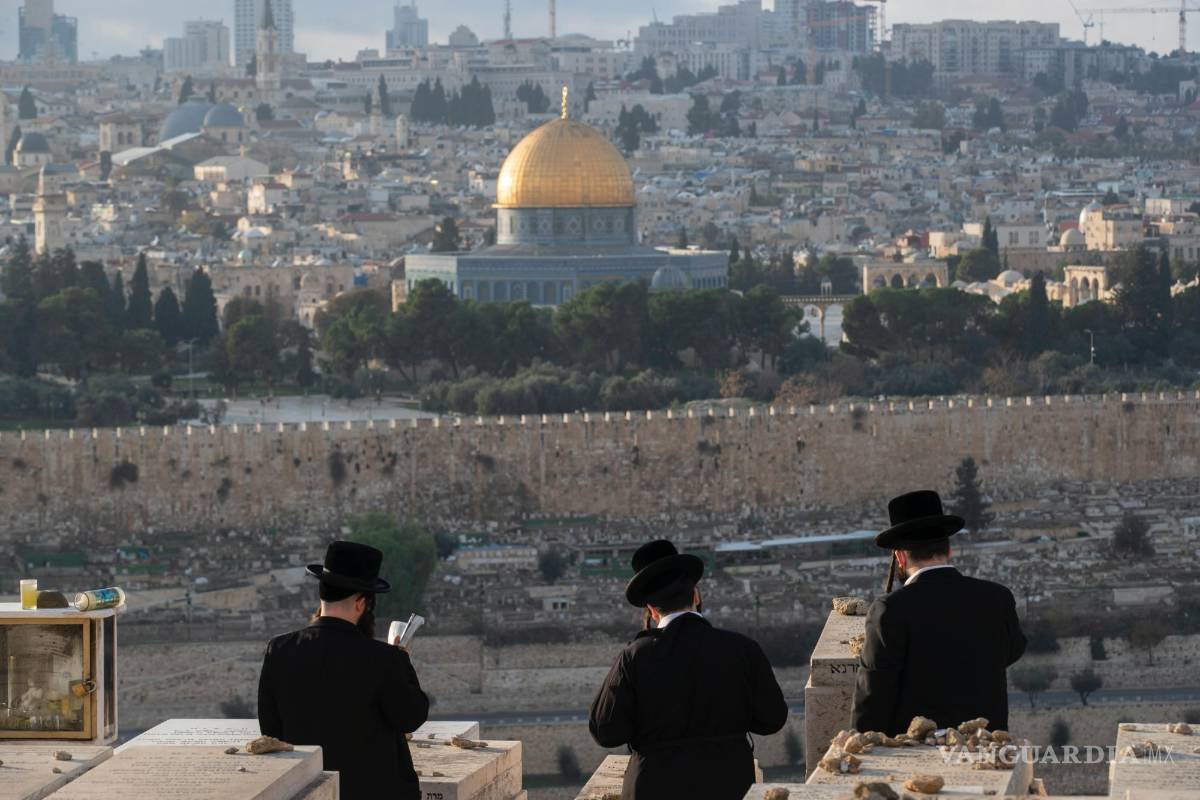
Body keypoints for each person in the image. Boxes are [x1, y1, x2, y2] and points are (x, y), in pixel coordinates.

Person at [589, 540, 789, 800]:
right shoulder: (742, 648)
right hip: (729, 784)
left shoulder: (634, 656)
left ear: (651, 609)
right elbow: (772, 718)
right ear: (696, 595)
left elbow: (605, 731)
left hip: (653, 786)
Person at [257, 541, 429, 800]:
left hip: (307, 791)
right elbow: (411, 716)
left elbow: (271, 731)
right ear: (360, 603)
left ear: (322, 594)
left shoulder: (279, 650)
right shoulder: (384, 660)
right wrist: (402, 663)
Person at [851, 490, 1027, 736]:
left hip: (919, 747)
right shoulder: (997, 597)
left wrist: (861, 742)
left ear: (900, 557)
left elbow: (873, 694)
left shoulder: (890, 609)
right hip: (985, 743)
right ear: (948, 550)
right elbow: (1013, 650)